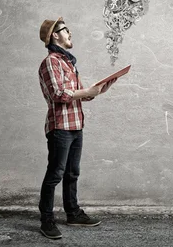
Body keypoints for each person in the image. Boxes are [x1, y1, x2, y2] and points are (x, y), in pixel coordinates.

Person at [37, 17, 117, 239]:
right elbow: (58, 94)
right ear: (55, 35)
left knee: (72, 173)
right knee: (55, 174)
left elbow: (81, 96)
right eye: (66, 30)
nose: (70, 34)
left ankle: (72, 213)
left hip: (75, 124)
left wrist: (100, 89)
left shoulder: (68, 62)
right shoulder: (51, 61)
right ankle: (46, 221)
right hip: (60, 126)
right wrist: (86, 92)